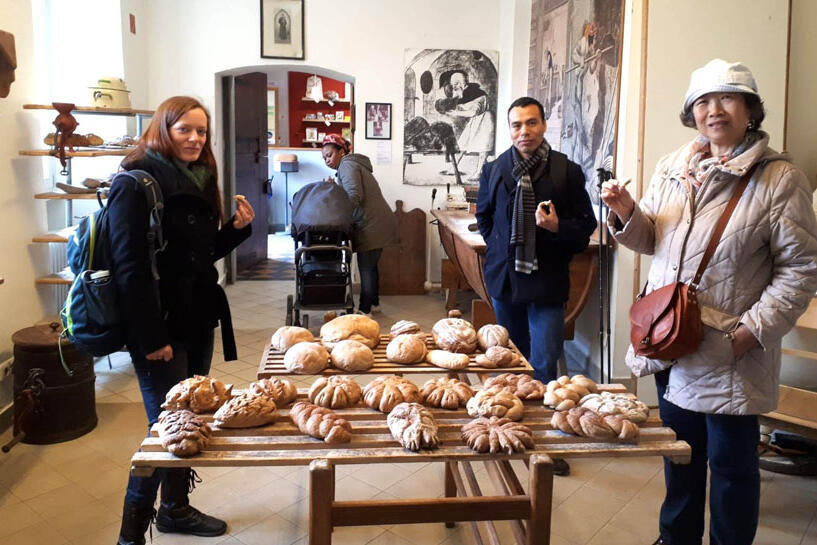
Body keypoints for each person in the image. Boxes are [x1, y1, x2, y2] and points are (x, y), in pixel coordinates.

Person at [601, 59, 817, 545]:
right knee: (680, 454)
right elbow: (653, 238)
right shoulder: (673, 167)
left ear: (749, 110)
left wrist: (749, 332)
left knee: (732, 468)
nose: (713, 110)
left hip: (730, 350)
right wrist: (627, 213)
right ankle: (675, 538)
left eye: (727, 98)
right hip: (671, 339)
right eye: (702, 102)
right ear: (692, 113)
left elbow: (801, 270)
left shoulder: (780, 179)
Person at [110, 96, 255, 545]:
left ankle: (174, 509)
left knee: (189, 416)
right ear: (163, 130)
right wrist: (151, 337)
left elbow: (197, 255)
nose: (195, 139)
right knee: (165, 428)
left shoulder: (201, 176)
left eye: (202, 131)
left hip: (196, 319)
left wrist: (234, 230)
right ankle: (131, 534)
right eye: (184, 130)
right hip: (160, 326)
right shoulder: (135, 182)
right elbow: (129, 268)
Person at [476, 96, 596, 474]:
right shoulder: (496, 168)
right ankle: (510, 431)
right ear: (509, 128)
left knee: (544, 361)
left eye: (531, 123)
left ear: (544, 125)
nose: (523, 131)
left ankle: (544, 443)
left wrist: (557, 228)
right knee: (511, 360)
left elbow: (586, 226)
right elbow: (484, 216)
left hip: (547, 280)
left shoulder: (566, 171)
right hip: (506, 279)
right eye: (516, 125)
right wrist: (502, 248)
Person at [321, 134, 397, 315]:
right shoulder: (351, 165)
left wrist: (337, 210)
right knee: (371, 265)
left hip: (371, 223)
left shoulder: (347, 165)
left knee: (366, 266)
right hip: (378, 221)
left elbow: (354, 196)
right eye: (324, 158)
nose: (327, 160)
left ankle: (364, 310)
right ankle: (375, 303)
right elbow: (353, 191)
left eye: (329, 155)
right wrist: (337, 189)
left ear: (341, 151)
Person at [447, 71, 495, 181]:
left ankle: (479, 172)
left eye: (454, 84)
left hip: (485, 120)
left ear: (459, 83)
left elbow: (473, 112)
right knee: (462, 144)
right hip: (476, 120)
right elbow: (462, 105)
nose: (453, 87)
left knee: (483, 148)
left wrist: (456, 113)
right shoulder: (464, 92)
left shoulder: (477, 94)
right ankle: (453, 167)